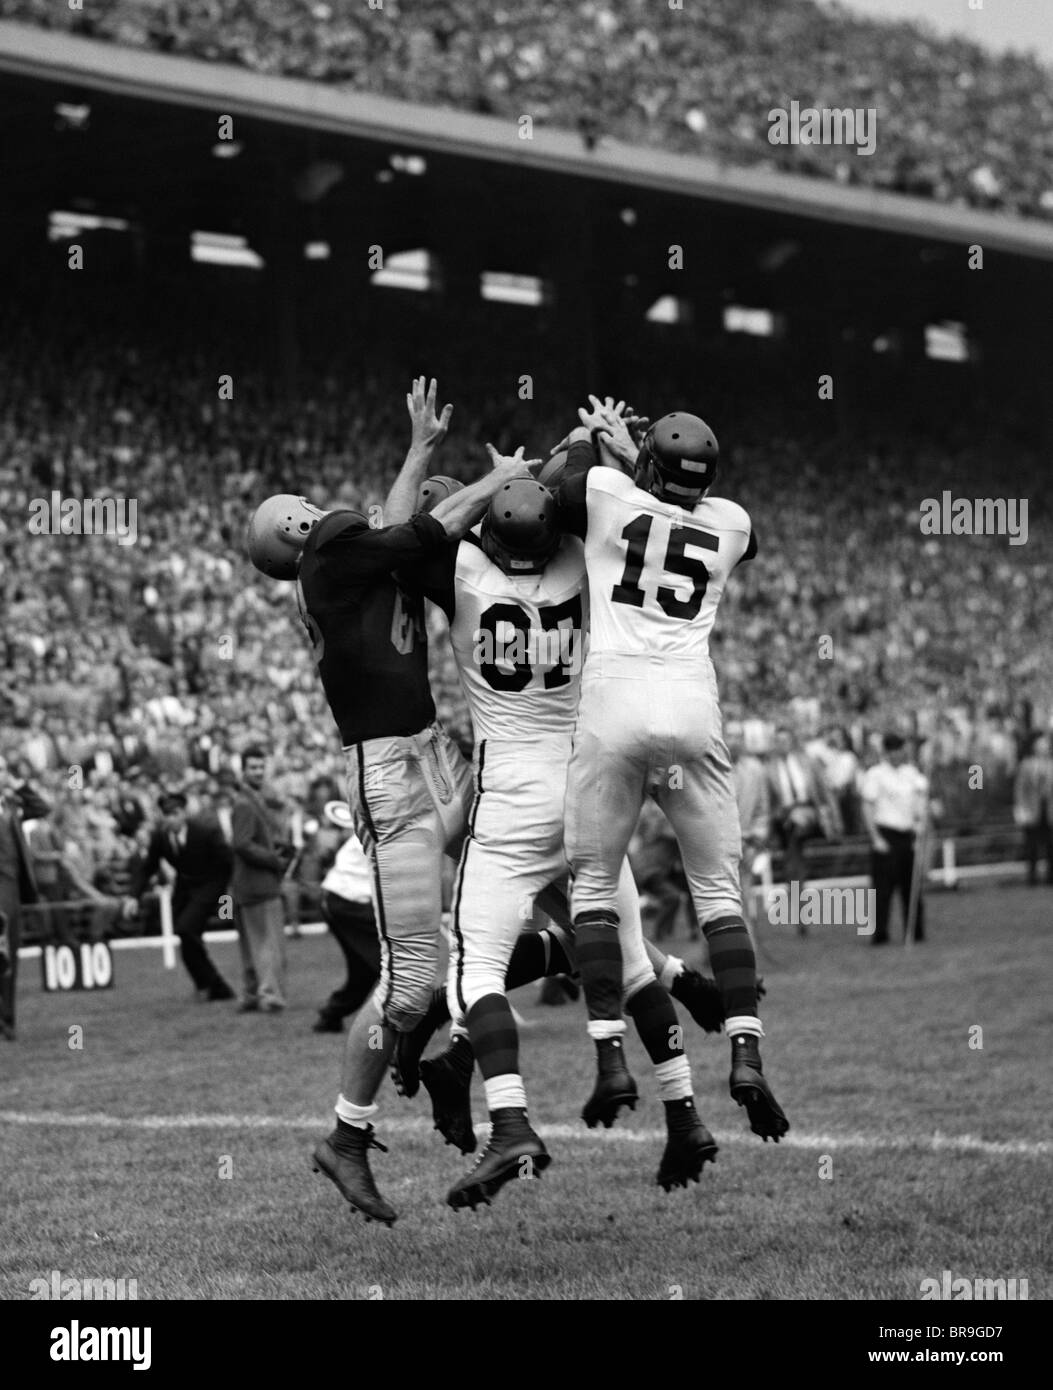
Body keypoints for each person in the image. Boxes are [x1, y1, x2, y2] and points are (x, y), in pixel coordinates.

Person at [248, 375, 539, 1224]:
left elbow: (393, 529)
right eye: (298, 507)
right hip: (390, 771)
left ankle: (448, 1060)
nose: (314, 505)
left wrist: (419, 449)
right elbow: (416, 529)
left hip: (427, 753)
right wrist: (497, 480)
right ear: (293, 532)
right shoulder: (331, 559)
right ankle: (347, 1133)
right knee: (410, 979)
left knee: (522, 874)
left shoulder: (345, 560)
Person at [412, 475, 718, 1208]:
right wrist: (573, 455)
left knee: (475, 972)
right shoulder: (588, 557)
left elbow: (415, 535)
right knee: (626, 962)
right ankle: (684, 1112)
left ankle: (511, 1123)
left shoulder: (460, 572)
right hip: (589, 790)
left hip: (512, 797)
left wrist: (482, 481)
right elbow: (595, 490)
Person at [554, 397, 788, 1143]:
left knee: (592, 888)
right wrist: (639, 458)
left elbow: (571, 491)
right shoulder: (731, 524)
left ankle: (609, 1058)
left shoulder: (601, 490)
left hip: (613, 705)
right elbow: (674, 512)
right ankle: (746, 1053)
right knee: (718, 891)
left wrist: (603, 438)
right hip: (689, 713)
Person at [129, 789, 235, 1000]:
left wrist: (227, 896)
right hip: (185, 888)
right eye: (167, 815)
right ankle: (209, 985)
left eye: (175, 813)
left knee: (186, 928)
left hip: (210, 885)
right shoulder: (160, 837)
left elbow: (227, 862)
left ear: (184, 813)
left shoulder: (206, 831)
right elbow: (148, 867)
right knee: (185, 934)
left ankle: (212, 984)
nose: (172, 819)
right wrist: (133, 896)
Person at [231, 747, 295, 1012]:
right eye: (253, 767)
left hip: (248, 884)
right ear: (243, 771)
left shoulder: (253, 799)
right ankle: (270, 996)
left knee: (252, 944)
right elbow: (242, 844)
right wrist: (274, 860)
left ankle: (251, 994)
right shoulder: (245, 803)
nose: (258, 771)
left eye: (261, 767)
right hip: (258, 883)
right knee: (270, 944)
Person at [312, 802, 381, 1034]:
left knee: (367, 969)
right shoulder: (380, 831)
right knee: (385, 965)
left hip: (344, 901)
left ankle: (331, 1014)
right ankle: (390, 1030)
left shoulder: (376, 827)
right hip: (344, 902)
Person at [860, 733, 930, 944]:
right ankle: (880, 933)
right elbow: (867, 806)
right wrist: (875, 838)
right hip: (886, 834)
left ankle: (915, 930)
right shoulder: (876, 774)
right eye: (894, 750)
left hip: (908, 834)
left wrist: (921, 823)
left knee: (912, 887)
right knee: (882, 889)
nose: (899, 754)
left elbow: (921, 800)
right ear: (887, 752)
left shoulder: (912, 773)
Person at [0, 757, 50, 1040]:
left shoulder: (11, 806)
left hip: (12, 893)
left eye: (3, 770)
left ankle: (8, 1019)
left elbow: (43, 808)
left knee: (10, 959)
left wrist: (19, 785)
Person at [726, 719, 770, 934]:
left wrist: (756, 837)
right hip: (716, 846)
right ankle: (714, 950)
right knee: (718, 902)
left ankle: (748, 949)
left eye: (738, 736)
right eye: (730, 735)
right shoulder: (710, 768)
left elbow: (762, 809)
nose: (734, 741)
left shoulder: (755, 770)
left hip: (746, 843)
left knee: (745, 897)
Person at [1013, 732, 1053, 887]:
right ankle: (1032, 877)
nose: (1045, 746)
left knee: (1051, 845)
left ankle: (1050, 877)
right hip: (1032, 811)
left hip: (1049, 811)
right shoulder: (1026, 765)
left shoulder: (1051, 764)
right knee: (1031, 846)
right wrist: (1020, 809)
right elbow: (1020, 789)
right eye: (1042, 743)